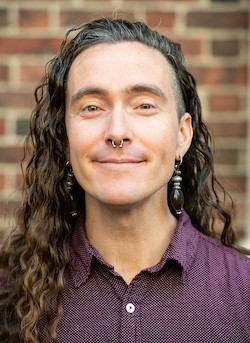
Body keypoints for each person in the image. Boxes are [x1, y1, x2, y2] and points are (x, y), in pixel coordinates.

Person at [0, 17, 250, 343]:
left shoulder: (243, 293)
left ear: (182, 134)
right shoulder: (11, 300)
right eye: (92, 107)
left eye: (144, 105)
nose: (117, 131)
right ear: (64, 139)